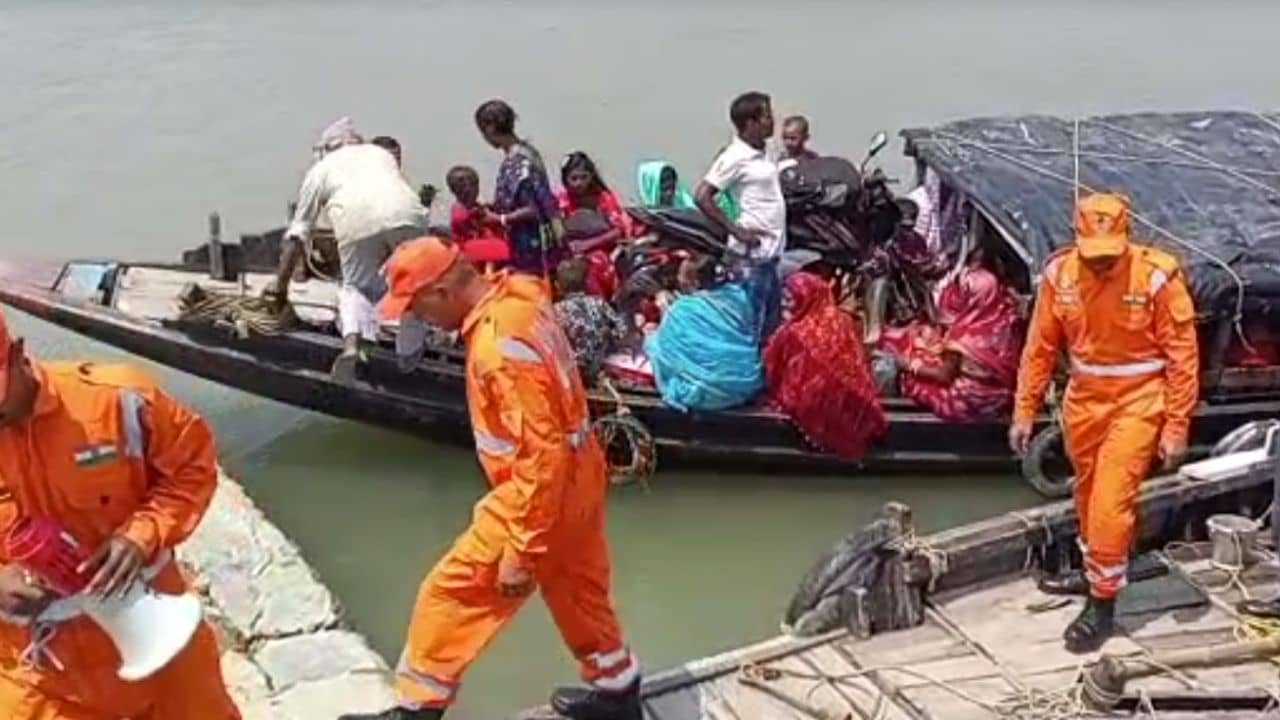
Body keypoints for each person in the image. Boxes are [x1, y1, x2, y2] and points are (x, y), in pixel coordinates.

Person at [346, 238, 640, 720]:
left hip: (537, 493)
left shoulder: (497, 346)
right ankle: (619, 690)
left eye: (417, 305)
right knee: (579, 590)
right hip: (581, 473)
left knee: (450, 594)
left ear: (442, 291)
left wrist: (522, 551)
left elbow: (538, 453)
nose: (416, 318)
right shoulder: (521, 298)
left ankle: (417, 709)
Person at [0, 310, 240, 719]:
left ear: (19, 354)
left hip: (162, 639)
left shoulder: (118, 399)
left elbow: (192, 468)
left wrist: (141, 534)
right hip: (40, 673)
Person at [1009, 193, 1199, 653]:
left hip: (1139, 400)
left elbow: (1182, 356)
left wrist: (1176, 425)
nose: (1100, 266)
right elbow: (1040, 348)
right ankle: (1099, 568)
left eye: (1109, 256)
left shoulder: (1156, 275)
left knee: (1112, 500)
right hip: (1084, 400)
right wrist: (1024, 409)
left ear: (1126, 238)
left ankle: (1102, 606)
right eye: (1093, 256)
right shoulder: (1060, 274)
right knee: (1089, 493)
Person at [272, 117, 429, 383]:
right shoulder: (379, 153)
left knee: (354, 287)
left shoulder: (320, 170)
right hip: (408, 214)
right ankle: (410, 349)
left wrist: (279, 287)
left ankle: (352, 346)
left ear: (327, 149)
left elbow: (298, 234)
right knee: (414, 282)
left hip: (356, 223)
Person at [764, 272, 887, 459]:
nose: (787, 304)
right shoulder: (844, 321)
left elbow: (772, 367)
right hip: (854, 401)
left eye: (791, 298)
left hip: (813, 405)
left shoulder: (792, 331)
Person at [695, 91, 787, 340]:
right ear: (751, 123)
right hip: (750, 258)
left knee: (771, 326)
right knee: (749, 326)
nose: (773, 121)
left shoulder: (767, 151)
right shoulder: (734, 157)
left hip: (770, 254)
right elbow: (703, 196)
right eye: (767, 116)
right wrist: (736, 230)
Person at [895, 246, 1023, 421]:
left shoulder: (963, 337)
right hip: (1002, 396)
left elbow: (944, 376)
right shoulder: (1005, 324)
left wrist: (909, 365)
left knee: (912, 378)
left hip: (971, 400)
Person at [645, 258, 764, 412]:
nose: (680, 282)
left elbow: (667, 349)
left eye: (682, 279)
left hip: (705, 393)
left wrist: (655, 327)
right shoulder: (739, 297)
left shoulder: (681, 309)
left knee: (653, 343)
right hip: (743, 387)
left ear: (694, 282)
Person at [474, 99, 566, 278]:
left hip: (533, 247)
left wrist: (500, 219)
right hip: (535, 244)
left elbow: (533, 209)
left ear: (490, 128)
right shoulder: (527, 153)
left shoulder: (518, 162)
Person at [553, 257, 628, 382]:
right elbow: (622, 331)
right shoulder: (598, 303)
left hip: (574, 370)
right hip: (600, 364)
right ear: (586, 283)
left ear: (558, 286)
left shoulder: (558, 310)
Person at [446, 165, 511, 269]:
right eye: (461, 187)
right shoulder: (461, 214)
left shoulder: (479, 208)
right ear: (453, 190)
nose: (468, 188)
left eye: (472, 184)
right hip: (474, 262)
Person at [558, 151, 634, 240]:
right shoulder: (561, 200)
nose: (579, 183)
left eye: (584, 177)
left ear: (591, 177)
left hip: (602, 244)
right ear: (565, 179)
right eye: (574, 178)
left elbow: (618, 230)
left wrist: (587, 244)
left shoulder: (604, 198)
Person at [635, 161, 740, 219]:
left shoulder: (687, 211)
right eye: (664, 188)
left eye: (672, 187)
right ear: (649, 187)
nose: (669, 193)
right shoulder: (640, 219)